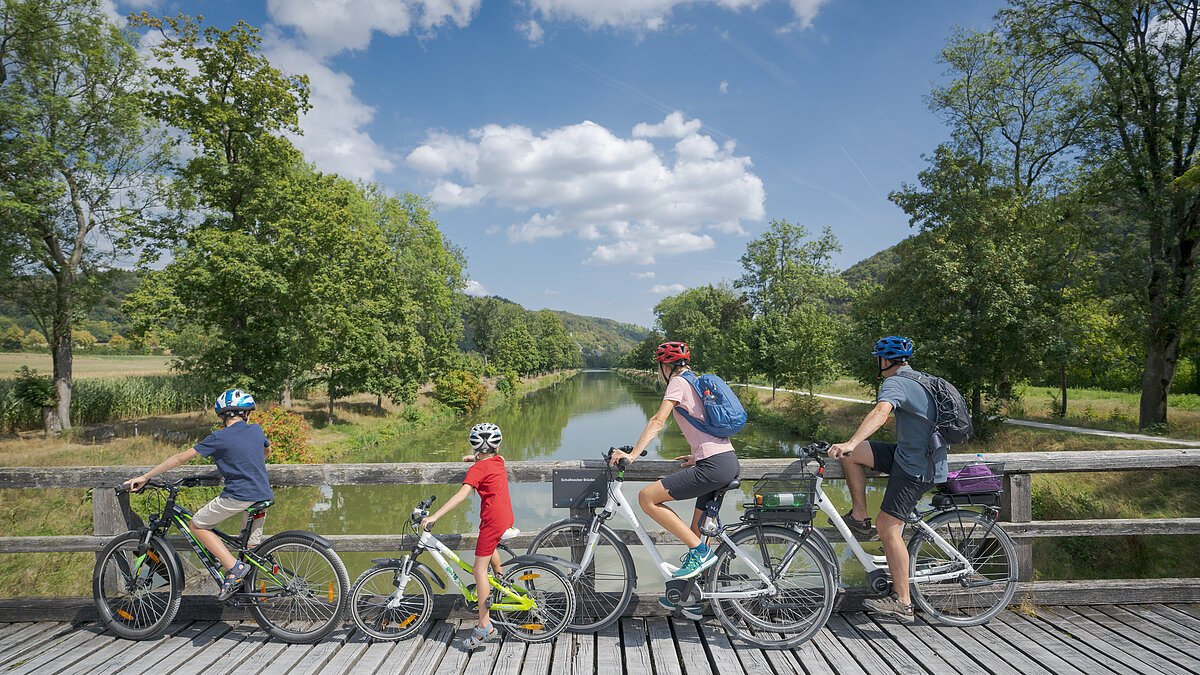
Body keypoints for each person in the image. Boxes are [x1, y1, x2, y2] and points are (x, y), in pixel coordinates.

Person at [608, 340, 740, 616]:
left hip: (714, 465)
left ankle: (701, 553)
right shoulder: (696, 382)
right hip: (725, 460)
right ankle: (688, 599)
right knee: (696, 533)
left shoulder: (678, 383)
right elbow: (707, 427)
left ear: (665, 366)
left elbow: (658, 421)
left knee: (647, 498)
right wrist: (697, 455)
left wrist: (632, 454)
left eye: (660, 367)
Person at [828, 335, 949, 623]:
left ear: (884, 361)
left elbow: (881, 412)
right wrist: (852, 447)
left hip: (917, 466)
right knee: (852, 456)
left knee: (887, 526)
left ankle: (903, 602)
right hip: (912, 455)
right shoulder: (922, 379)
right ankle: (859, 515)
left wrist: (849, 440)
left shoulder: (895, 382)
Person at [125, 389, 273, 600]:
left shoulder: (219, 437)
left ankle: (234, 568)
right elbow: (266, 451)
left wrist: (146, 476)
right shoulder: (256, 430)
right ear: (246, 414)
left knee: (197, 524)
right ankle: (247, 589)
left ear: (223, 416)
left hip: (239, 495)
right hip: (263, 494)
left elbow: (179, 459)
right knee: (249, 547)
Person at [421, 422, 514, 650]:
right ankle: (501, 579)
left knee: (478, 570)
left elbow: (461, 495)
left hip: (492, 522)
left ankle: (484, 625)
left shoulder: (477, 470)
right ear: (496, 446)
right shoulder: (498, 461)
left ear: (475, 446)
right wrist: (475, 459)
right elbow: (489, 460)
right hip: (504, 517)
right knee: (489, 548)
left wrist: (435, 516)